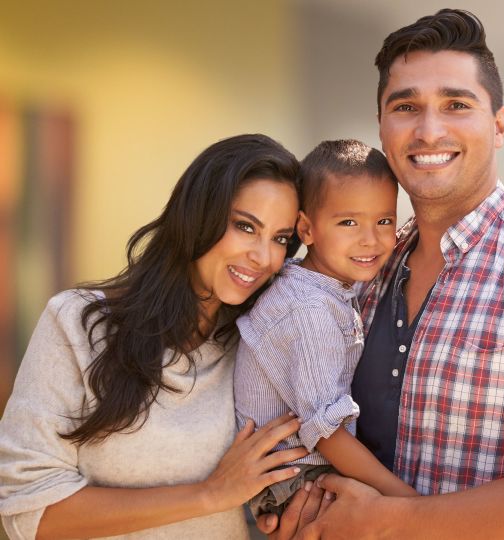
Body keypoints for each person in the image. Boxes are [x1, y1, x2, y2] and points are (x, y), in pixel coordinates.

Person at [262, 8, 504, 539]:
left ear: (499, 125)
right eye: (406, 106)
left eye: (456, 104)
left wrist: (390, 523)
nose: (429, 129)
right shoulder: (364, 269)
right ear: (382, 127)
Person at [0, 134, 310, 539]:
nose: (264, 257)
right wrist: (209, 495)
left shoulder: (257, 345)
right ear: (198, 215)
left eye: (281, 239)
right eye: (245, 226)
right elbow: (29, 510)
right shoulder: (77, 323)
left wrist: (278, 512)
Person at [233, 139, 417, 519]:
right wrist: (409, 505)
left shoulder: (320, 284)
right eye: (348, 222)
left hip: (304, 469)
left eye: (383, 221)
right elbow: (326, 432)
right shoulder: (309, 309)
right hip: (295, 480)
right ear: (307, 228)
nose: (370, 238)